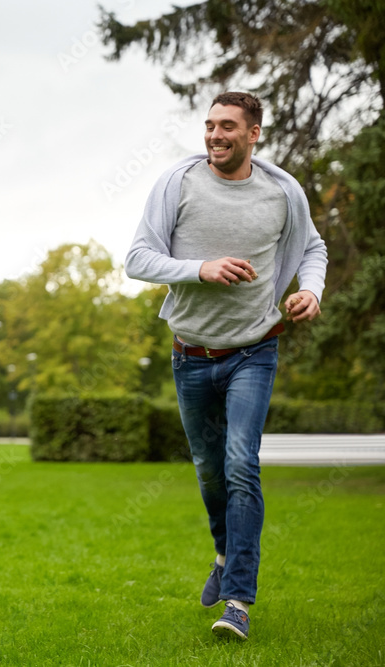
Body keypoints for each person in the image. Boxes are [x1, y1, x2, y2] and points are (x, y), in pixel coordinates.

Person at [125, 92, 327, 641]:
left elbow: (313, 248)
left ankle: (237, 598)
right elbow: (138, 258)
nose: (215, 135)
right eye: (210, 125)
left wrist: (310, 289)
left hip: (253, 350)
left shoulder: (283, 190)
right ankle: (222, 549)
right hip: (190, 354)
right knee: (209, 469)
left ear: (254, 133)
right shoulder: (178, 182)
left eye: (228, 126)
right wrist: (201, 268)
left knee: (241, 463)